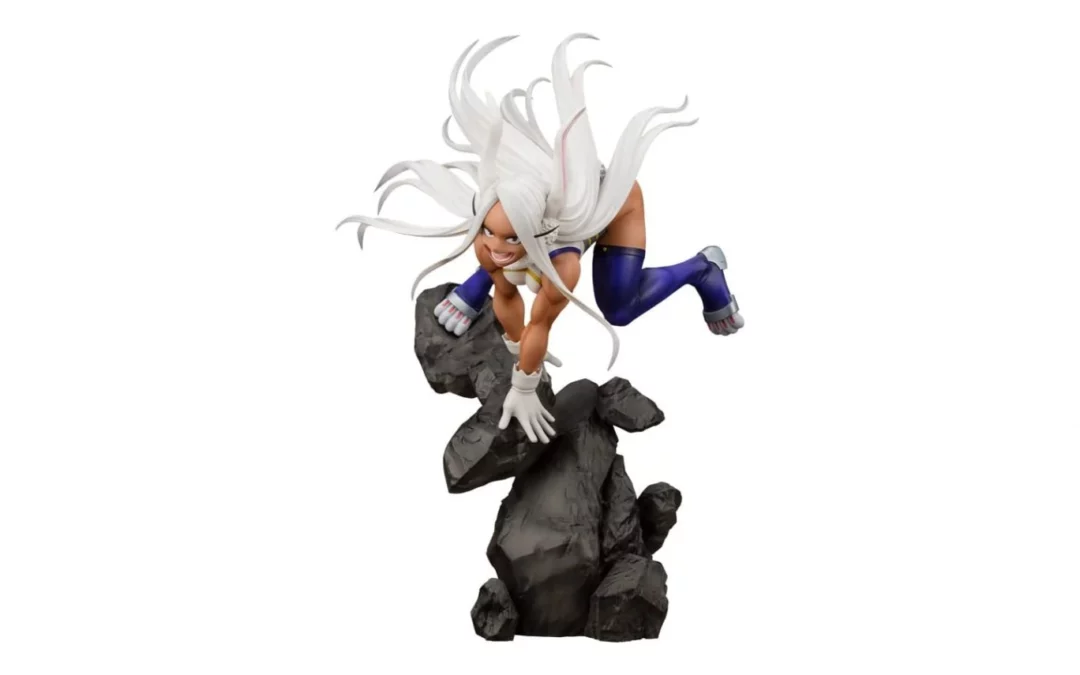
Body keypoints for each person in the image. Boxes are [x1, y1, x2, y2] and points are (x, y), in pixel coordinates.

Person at [339, 34, 744, 443]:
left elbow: (541, 321)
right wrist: (515, 344)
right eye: (489, 231)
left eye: (509, 238)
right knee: (498, 260)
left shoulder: (563, 263)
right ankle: (478, 280)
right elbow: (507, 291)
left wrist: (524, 385)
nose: (495, 246)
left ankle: (703, 269)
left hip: (614, 206)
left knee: (619, 308)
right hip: (542, 218)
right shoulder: (488, 232)